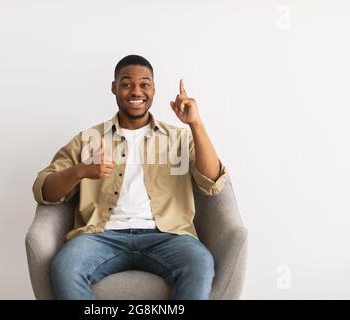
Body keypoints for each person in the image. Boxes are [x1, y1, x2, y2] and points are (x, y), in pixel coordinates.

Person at [32, 54, 228, 299]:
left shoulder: (179, 138)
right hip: (101, 237)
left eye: (144, 84)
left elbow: (212, 183)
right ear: (114, 88)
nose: (136, 91)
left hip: (167, 236)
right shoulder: (89, 139)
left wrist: (196, 124)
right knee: (65, 267)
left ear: (154, 89)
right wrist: (81, 171)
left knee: (199, 262)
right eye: (126, 84)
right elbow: (43, 190)